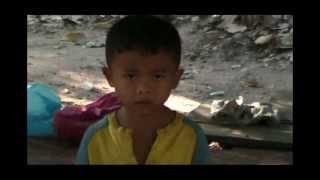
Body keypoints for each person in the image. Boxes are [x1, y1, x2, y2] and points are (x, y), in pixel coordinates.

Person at [75, 15, 212, 164]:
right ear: (110, 77)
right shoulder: (96, 138)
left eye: (158, 76)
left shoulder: (190, 137)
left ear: (175, 78)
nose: (144, 88)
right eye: (131, 76)